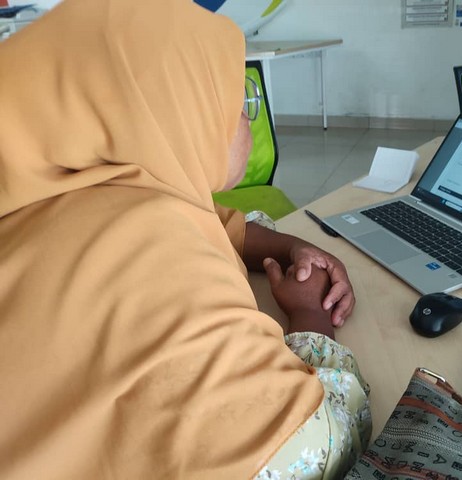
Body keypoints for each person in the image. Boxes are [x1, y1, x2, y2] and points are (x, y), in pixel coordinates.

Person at [0, 0, 370, 478]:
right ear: (178, 112)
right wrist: (310, 316)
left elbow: (212, 220)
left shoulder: (52, 191)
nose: (245, 120)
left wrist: (288, 248)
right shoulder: (159, 262)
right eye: (238, 104)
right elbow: (312, 450)